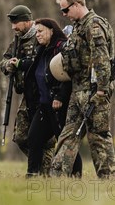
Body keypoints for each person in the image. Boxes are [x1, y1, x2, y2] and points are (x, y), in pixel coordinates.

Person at [50, 0, 115, 179]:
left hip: (95, 92)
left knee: (98, 137)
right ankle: (56, 177)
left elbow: (101, 59)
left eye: (66, 10)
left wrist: (102, 90)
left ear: (77, 4)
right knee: (68, 134)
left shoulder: (93, 25)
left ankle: (108, 180)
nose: (64, 14)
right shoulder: (79, 26)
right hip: (78, 91)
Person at [0, 5, 53, 171]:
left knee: (46, 139)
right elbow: (3, 61)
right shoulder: (17, 41)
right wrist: (8, 65)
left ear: (28, 21)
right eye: (12, 23)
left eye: (16, 23)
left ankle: (43, 171)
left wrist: (21, 64)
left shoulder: (40, 37)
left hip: (43, 94)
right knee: (21, 137)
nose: (13, 27)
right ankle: (43, 166)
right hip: (27, 95)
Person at [26, 18, 82, 177]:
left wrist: (60, 97)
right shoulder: (40, 50)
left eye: (41, 31)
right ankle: (32, 175)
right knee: (33, 138)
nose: (37, 35)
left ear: (51, 30)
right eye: (36, 32)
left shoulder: (61, 48)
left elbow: (68, 76)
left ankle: (76, 175)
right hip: (43, 105)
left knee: (64, 141)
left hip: (59, 105)